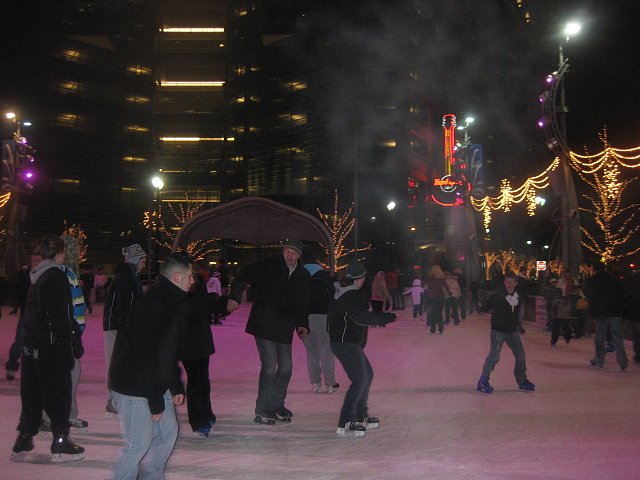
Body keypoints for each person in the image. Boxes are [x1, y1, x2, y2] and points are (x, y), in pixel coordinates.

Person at [109, 253, 192, 479]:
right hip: (134, 384)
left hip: (153, 380)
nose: (193, 281)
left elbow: (165, 351)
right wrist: (155, 400)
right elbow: (143, 353)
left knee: (167, 433)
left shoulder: (170, 301)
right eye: (190, 276)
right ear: (177, 277)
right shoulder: (155, 303)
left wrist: (175, 385)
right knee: (138, 445)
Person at [11, 235, 85, 462]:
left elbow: (31, 313)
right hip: (51, 347)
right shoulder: (55, 277)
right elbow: (61, 316)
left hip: (32, 344)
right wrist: (70, 343)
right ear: (59, 255)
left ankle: (24, 438)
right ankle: (60, 440)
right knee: (59, 393)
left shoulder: (36, 276)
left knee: (33, 394)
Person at [227, 240, 310, 425]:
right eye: (287, 251)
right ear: (283, 251)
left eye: (293, 253)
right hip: (264, 322)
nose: (289, 256)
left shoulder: (302, 275)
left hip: (284, 326)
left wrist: (302, 323)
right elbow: (244, 274)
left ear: (299, 256)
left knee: (286, 366)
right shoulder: (270, 265)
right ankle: (262, 408)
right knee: (270, 364)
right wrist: (235, 296)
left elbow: (302, 301)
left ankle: (276, 404)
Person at [328, 261, 396, 437]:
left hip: (346, 342)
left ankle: (360, 414)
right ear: (360, 278)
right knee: (359, 379)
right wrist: (385, 318)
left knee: (367, 375)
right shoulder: (352, 295)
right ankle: (346, 422)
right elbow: (361, 317)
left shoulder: (346, 293)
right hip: (345, 343)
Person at [42, 236, 89, 433]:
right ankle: (49, 418)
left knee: (70, 376)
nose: (77, 255)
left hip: (67, 334)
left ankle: (67, 414)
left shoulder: (66, 273)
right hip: (63, 336)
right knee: (61, 378)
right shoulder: (60, 274)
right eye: (74, 251)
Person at [103, 243, 147, 417]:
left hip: (122, 327)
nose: (144, 265)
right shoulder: (126, 276)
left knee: (122, 363)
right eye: (142, 261)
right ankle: (114, 402)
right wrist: (127, 327)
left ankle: (120, 400)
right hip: (117, 328)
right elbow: (125, 305)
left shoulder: (131, 275)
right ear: (135, 260)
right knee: (115, 363)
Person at [476, 274, 535, 394]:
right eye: (507, 281)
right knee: (494, 356)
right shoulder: (498, 295)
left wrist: (519, 326)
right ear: (504, 282)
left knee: (520, 355)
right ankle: (483, 381)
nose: (509, 284)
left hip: (512, 331)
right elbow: (487, 305)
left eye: (512, 282)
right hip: (498, 330)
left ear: (516, 283)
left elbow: (518, 314)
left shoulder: (518, 297)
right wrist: (481, 307)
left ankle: (522, 380)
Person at [178, 272, 216, 437]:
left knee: (203, 380)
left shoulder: (199, 290)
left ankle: (206, 413)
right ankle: (199, 420)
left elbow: (211, 307)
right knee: (195, 380)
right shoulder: (180, 295)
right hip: (188, 345)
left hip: (201, 344)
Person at [300, 253, 338, 394]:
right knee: (326, 350)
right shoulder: (325, 278)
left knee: (311, 353)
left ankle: (316, 382)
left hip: (304, 320)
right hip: (323, 317)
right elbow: (333, 298)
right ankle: (329, 382)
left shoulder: (299, 278)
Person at [583, 262, 628, 370]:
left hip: (600, 312)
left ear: (595, 269)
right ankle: (622, 361)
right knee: (617, 336)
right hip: (615, 311)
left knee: (600, 337)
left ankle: (599, 360)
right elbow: (623, 293)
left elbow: (587, 292)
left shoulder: (593, 280)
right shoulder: (614, 279)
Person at [5, 252, 42, 381]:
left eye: (38, 259)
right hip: (26, 314)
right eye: (34, 259)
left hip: (40, 315)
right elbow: (16, 290)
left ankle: (36, 370)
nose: (36, 262)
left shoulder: (45, 275)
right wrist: (22, 275)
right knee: (19, 343)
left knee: (38, 344)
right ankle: (11, 367)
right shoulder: (25, 275)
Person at [426, 265, 446, 334]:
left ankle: (433, 329)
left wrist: (427, 297)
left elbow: (428, 289)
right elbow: (446, 287)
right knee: (440, 313)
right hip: (440, 297)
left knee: (433, 313)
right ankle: (441, 328)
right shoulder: (442, 279)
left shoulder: (429, 279)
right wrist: (451, 295)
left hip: (433, 297)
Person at [628, 270, 640, 364]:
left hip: (636, 312)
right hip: (636, 311)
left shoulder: (633, 281)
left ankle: (638, 355)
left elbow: (630, 296)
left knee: (637, 334)